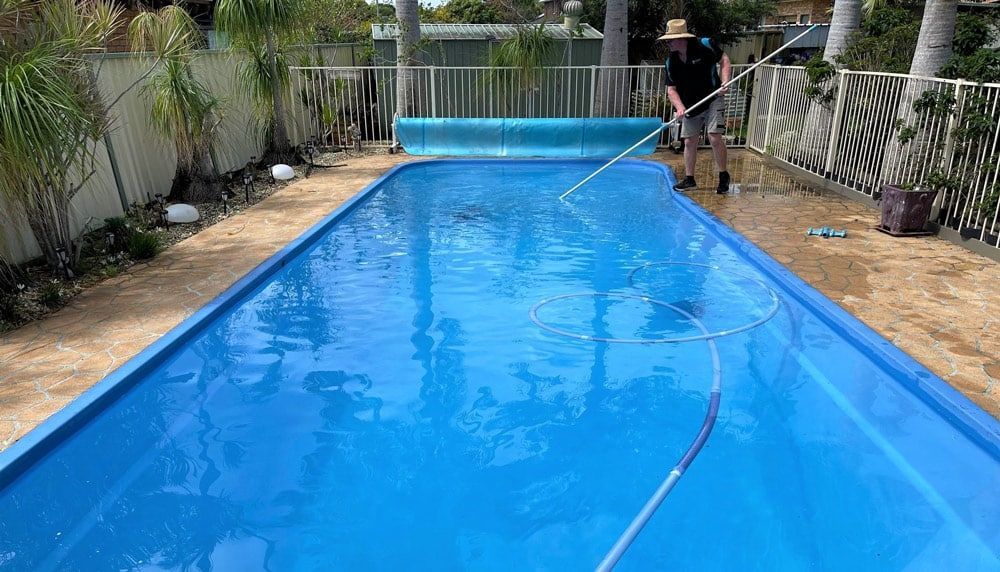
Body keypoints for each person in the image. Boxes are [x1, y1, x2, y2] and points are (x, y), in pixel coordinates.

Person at [659, 19, 732, 193]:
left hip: (713, 98)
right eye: (667, 40)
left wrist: (725, 83)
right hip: (691, 105)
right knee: (689, 141)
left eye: (670, 40)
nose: (668, 43)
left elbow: (724, 60)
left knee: (714, 136)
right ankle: (689, 179)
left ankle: (723, 176)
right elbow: (671, 90)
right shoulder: (671, 62)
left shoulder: (705, 46)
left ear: (682, 39)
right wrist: (679, 107)